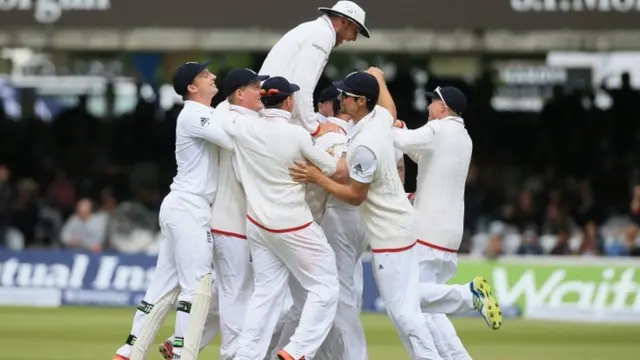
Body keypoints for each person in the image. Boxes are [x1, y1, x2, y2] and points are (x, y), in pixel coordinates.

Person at [289, 68, 444, 359]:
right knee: (407, 308)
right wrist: (380, 81)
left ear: (361, 101)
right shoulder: (379, 119)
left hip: (389, 233)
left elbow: (355, 195)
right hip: (399, 224)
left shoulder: (364, 146)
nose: (341, 99)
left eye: (346, 96)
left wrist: (316, 176)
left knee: (403, 313)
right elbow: (389, 108)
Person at [113, 61, 233, 360]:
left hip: (182, 205)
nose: (213, 76)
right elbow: (233, 140)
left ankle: (129, 352)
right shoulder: (195, 113)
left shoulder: (202, 113)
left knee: (164, 288)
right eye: (206, 75)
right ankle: (184, 353)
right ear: (192, 87)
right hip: (189, 207)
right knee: (198, 286)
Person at [227, 76, 345, 360]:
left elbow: (224, 114)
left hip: (258, 225)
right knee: (325, 286)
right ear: (290, 102)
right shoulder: (296, 134)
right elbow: (332, 168)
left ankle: (245, 356)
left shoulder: (243, 127)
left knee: (265, 295)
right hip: (294, 225)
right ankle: (298, 351)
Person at [156, 68, 269, 360]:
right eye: (255, 88)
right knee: (214, 289)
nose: (212, 76)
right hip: (210, 213)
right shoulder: (207, 115)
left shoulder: (213, 113)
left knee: (219, 288)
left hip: (207, 211)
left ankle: (170, 344)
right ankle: (219, 353)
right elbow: (237, 143)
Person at [392, 86, 503, 360]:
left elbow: (403, 141)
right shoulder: (463, 137)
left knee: (405, 297)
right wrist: (403, 130)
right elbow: (420, 153)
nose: (428, 108)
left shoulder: (438, 130)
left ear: (443, 107)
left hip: (428, 229)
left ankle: (469, 294)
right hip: (450, 233)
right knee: (430, 306)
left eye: (431, 103)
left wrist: (384, 123)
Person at [259, 0, 370, 138]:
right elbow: (302, 85)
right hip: (274, 114)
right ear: (343, 22)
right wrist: (314, 127)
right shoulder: (323, 35)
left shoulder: (316, 30)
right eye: (355, 31)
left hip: (270, 111)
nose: (353, 38)